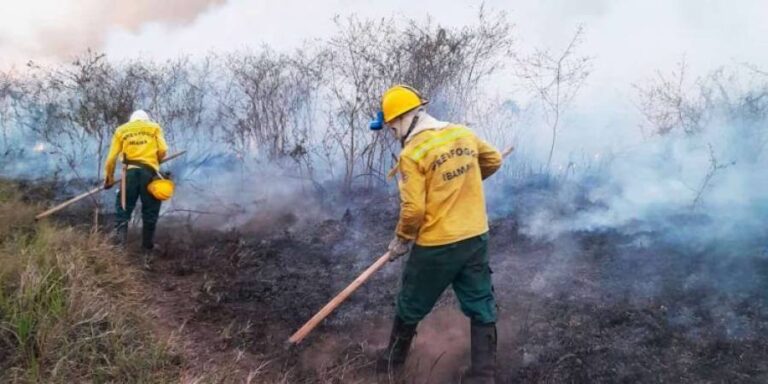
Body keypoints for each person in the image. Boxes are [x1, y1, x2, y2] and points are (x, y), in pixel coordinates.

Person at [374, 85, 503, 383]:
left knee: (410, 302)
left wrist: (401, 239)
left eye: (391, 127)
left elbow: (414, 211)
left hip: (437, 245)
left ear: (401, 120)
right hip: (475, 237)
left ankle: (391, 369)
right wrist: (461, 185)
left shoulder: (413, 153)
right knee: (481, 302)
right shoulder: (462, 133)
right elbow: (494, 160)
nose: (393, 133)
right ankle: (484, 377)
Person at [103, 110, 168, 261]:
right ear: (145, 120)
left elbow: (111, 159)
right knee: (150, 212)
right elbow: (163, 150)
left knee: (123, 210)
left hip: (129, 175)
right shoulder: (154, 128)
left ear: (131, 120)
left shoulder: (121, 130)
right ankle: (147, 251)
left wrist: (109, 178)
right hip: (149, 174)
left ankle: (119, 249)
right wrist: (155, 161)